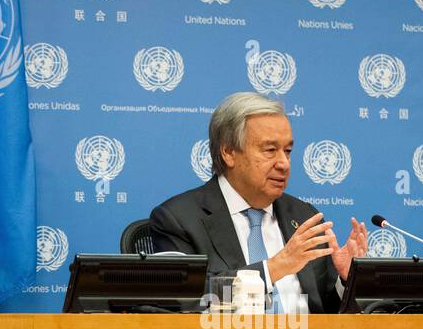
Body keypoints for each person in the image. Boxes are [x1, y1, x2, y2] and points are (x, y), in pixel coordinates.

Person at [149, 91, 368, 313]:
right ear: (228, 152)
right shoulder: (180, 219)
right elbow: (182, 298)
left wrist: (345, 281)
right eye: (270, 150)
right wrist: (271, 270)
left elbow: (325, 310)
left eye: (288, 151)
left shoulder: (303, 216)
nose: (284, 163)